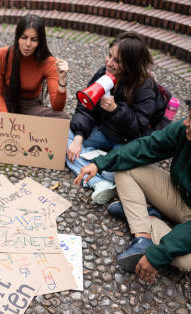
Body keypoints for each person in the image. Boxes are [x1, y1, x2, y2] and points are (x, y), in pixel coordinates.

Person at [74, 88, 191, 282]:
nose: (185, 123)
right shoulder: (188, 131)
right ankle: (143, 236)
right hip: (183, 197)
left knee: (185, 261)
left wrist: (157, 256)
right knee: (125, 169)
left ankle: (142, 214)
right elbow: (147, 146)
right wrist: (100, 163)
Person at [66, 32, 166, 204]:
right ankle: (99, 183)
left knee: (112, 173)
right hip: (105, 131)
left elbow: (139, 128)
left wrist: (116, 110)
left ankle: (95, 165)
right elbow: (85, 107)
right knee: (64, 138)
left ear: (131, 65)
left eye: (117, 61)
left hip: (127, 141)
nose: (109, 63)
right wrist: (79, 136)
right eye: (109, 55)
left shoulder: (145, 87)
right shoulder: (102, 74)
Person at [0, 14, 70, 118]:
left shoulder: (49, 62)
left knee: (63, 117)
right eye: (24, 37)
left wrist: (62, 81)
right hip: (6, 104)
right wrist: (6, 118)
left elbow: (57, 107)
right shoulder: (3, 54)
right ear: (17, 37)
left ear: (40, 41)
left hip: (31, 108)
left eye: (34, 39)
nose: (28, 44)